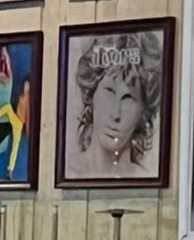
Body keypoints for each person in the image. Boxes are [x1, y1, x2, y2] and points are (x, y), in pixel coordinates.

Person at [67, 31, 162, 181]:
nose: (115, 114)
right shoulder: (70, 171)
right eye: (109, 91)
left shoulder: (145, 177)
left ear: (143, 111)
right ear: (91, 95)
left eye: (128, 98)